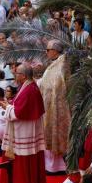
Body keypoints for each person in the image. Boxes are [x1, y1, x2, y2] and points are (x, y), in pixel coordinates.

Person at [1, 64, 47, 183]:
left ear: (24, 76)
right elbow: (20, 105)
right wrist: (11, 104)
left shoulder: (30, 89)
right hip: (25, 128)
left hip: (24, 130)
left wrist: (7, 108)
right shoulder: (27, 86)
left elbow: (19, 113)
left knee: (23, 156)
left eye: (17, 73)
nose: (15, 75)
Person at [39, 40, 70, 173]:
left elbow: (59, 85)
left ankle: (58, 166)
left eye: (48, 50)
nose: (46, 52)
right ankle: (51, 166)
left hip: (57, 106)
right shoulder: (54, 65)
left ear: (56, 51)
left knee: (55, 134)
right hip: (48, 106)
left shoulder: (62, 64)